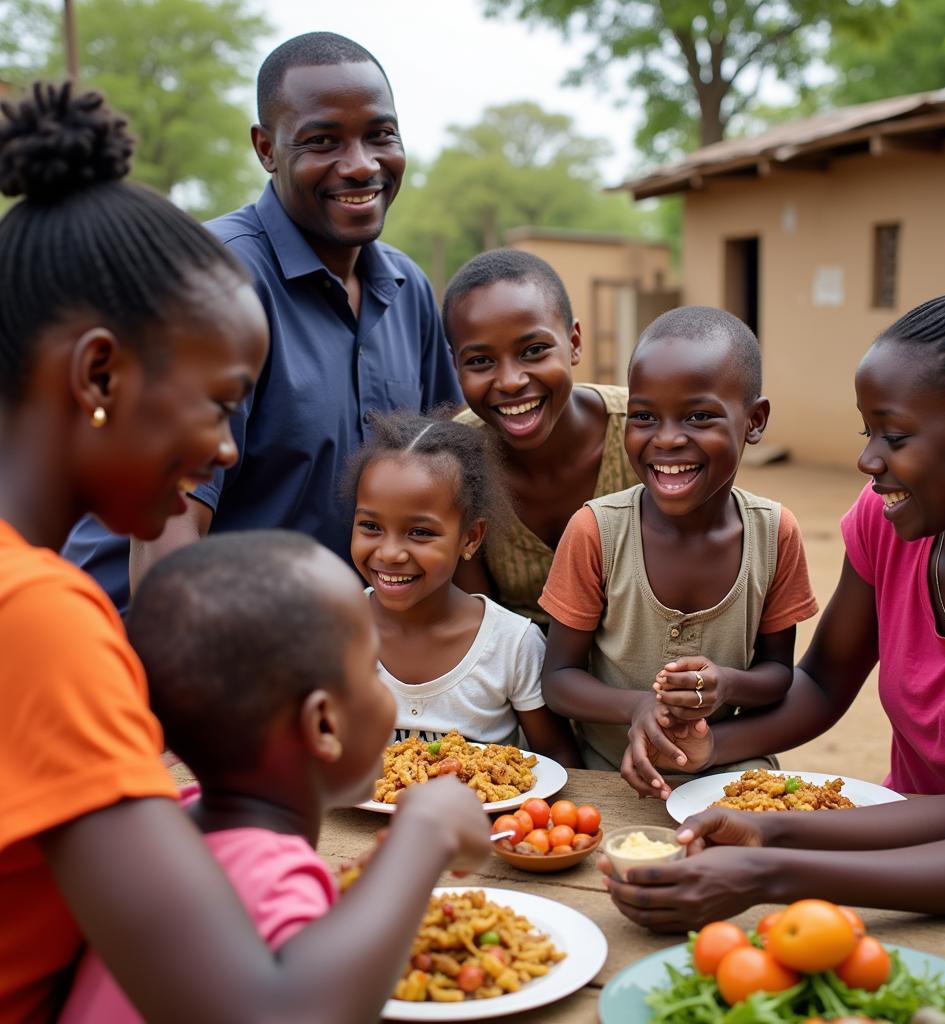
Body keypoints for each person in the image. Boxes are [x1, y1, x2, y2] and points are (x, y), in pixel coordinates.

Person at [0, 82, 488, 1024]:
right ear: (101, 373)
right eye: (220, 401)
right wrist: (423, 830)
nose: (228, 448)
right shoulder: (38, 616)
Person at [603, 246, 945, 930]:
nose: (867, 461)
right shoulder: (890, 521)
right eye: (867, 432)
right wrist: (712, 746)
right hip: (893, 845)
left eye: (894, 436)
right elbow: (823, 687)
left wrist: (775, 862)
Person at [62, 31, 462, 613]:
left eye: (380, 135)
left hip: (319, 647)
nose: (360, 165)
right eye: (323, 141)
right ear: (266, 149)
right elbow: (167, 536)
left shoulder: (408, 291)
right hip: (154, 645)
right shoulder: (209, 280)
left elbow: (448, 484)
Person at [60, 530, 484, 1022]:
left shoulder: (174, 827)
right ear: (324, 725)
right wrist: (425, 831)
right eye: (373, 670)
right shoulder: (272, 878)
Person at [539, 307, 818, 775]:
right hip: (612, 767)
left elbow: (777, 675)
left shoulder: (774, 534)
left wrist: (727, 685)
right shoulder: (597, 531)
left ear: (754, 421)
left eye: (699, 416)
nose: (666, 440)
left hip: (730, 770)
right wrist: (636, 708)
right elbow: (560, 680)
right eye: (644, 416)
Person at [347, 410, 581, 765]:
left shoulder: (511, 645)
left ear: (470, 538)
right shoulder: (335, 631)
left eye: (420, 532)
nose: (390, 553)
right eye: (370, 527)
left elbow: (557, 757)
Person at [445, 249, 637, 627]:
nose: (511, 381)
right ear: (456, 366)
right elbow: (480, 627)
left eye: (534, 351)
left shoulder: (644, 432)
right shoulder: (456, 459)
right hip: (515, 672)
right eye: (481, 361)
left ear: (575, 342)